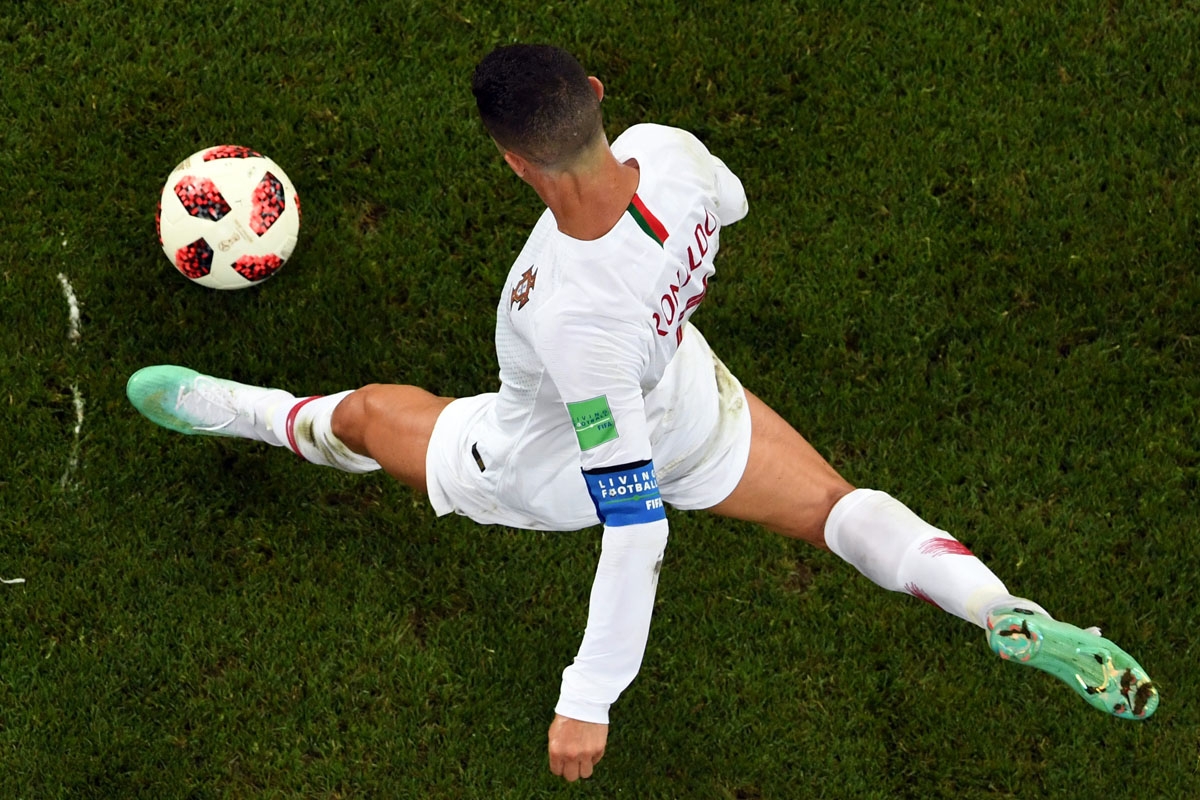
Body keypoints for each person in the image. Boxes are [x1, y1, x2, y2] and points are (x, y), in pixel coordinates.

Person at [127, 44, 1158, 782]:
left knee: (368, 415)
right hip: (688, 399)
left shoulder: (565, 304)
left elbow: (634, 525)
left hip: (543, 459)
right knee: (838, 507)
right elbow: (732, 201)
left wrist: (590, 693)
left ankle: (248, 411)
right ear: (598, 97)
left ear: (513, 163)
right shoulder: (670, 152)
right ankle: (994, 606)